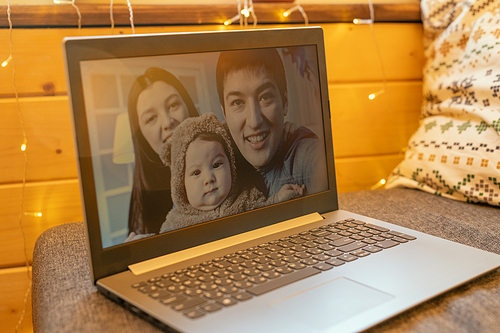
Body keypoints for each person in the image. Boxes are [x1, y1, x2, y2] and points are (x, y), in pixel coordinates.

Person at [159, 113, 304, 233]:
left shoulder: (245, 199)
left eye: (216, 165)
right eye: (196, 172)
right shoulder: (175, 223)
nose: (209, 178)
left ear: (231, 165)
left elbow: (265, 212)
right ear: (180, 183)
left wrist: (279, 198)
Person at [215, 48, 328, 197]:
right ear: (224, 113)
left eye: (265, 96)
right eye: (237, 102)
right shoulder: (217, 165)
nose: (254, 121)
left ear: (285, 102)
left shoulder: (308, 157)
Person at [127, 67, 199, 238]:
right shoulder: (144, 202)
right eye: (151, 118)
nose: (167, 122)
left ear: (187, 106)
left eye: (173, 105)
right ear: (142, 137)